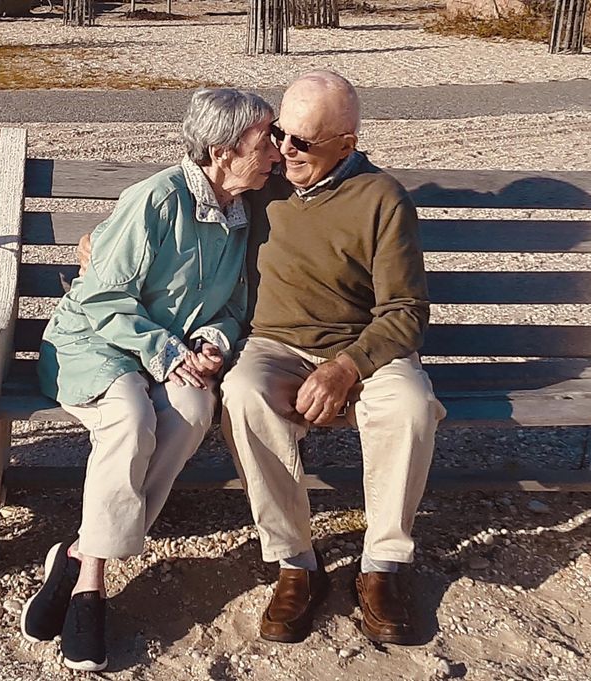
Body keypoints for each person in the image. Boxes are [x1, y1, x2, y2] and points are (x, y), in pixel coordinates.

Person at [21, 87, 281, 672]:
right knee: (131, 419)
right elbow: (102, 297)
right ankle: (91, 580)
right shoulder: (155, 200)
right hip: (95, 343)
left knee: (191, 413)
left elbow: (232, 306)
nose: (276, 151)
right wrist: (165, 351)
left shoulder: (239, 212)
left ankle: (77, 548)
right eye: (265, 139)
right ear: (221, 149)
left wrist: (214, 344)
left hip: (168, 355)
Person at [221, 70, 446, 646]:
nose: (284, 151)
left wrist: (346, 368)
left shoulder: (382, 199)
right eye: (279, 134)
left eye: (303, 142)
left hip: (362, 348)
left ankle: (382, 566)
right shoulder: (264, 177)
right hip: (273, 344)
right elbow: (188, 186)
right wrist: (103, 234)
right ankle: (295, 562)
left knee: (412, 407)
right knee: (243, 395)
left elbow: (406, 311)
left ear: (346, 143)